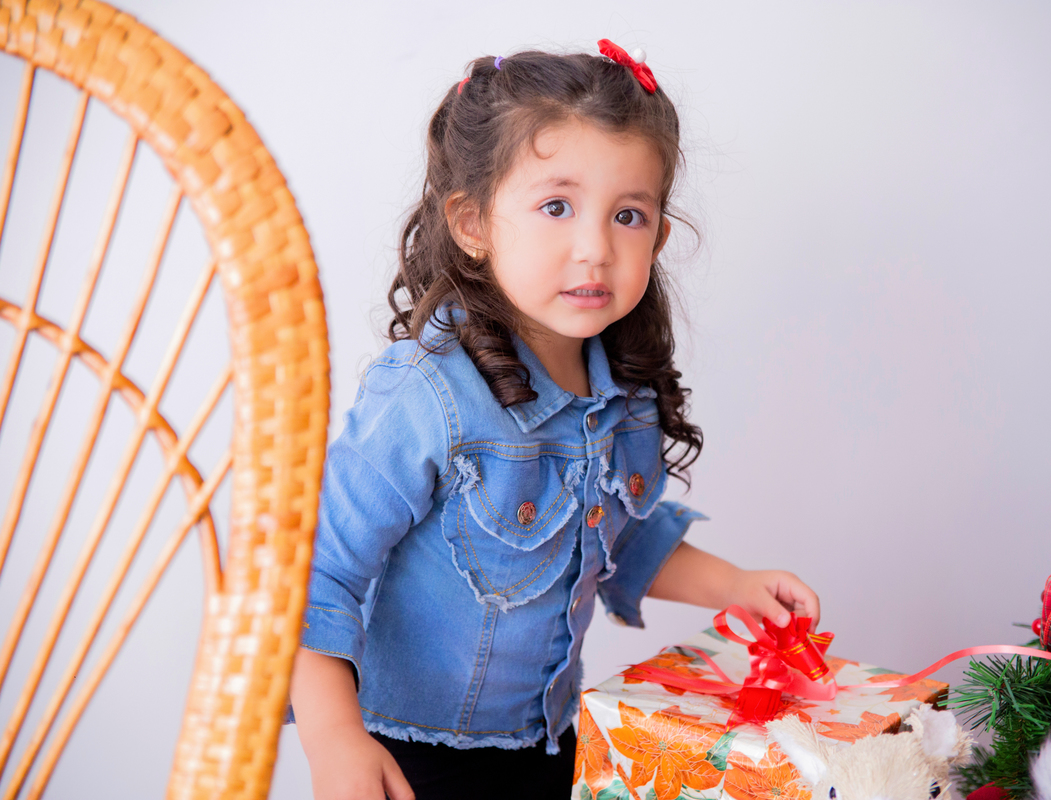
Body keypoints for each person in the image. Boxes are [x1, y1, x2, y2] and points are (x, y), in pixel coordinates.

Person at [289, 42, 821, 800]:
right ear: (473, 222)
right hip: (405, 753)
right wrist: (334, 739)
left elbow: (615, 537)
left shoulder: (622, 393)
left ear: (659, 237)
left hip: (549, 741)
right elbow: (318, 575)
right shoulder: (425, 395)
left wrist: (735, 584)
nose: (595, 248)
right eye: (557, 206)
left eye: (628, 215)